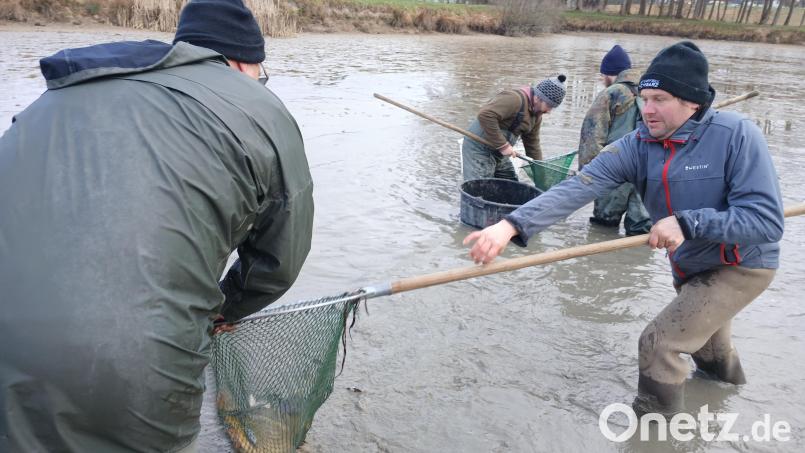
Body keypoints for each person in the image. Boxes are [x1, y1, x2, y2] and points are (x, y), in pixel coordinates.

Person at [0, 0, 314, 451]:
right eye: (261, 73)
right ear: (244, 62)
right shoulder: (260, 109)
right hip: (134, 368)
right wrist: (226, 308)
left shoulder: (63, 90)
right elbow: (278, 260)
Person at [463, 41, 784, 416]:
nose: (647, 109)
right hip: (690, 265)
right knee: (711, 355)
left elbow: (766, 221)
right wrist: (510, 226)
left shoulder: (737, 135)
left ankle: (655, 434)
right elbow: (579, 186)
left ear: (692, 101)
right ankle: (729, 405)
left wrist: (688, 222)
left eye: (660, 99)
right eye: (644, 98)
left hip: (741, 264)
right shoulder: (637, 145)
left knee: (658, 344)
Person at [578, 45, 651, 236]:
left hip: (614, 169)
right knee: (640, 232)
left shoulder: (612, 92)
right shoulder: (650, 91)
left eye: (603, 76)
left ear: (609, 74)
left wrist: (588, 174)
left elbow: (591, 135)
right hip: (647, 173)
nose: (603, 80)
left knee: (602, 227)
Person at [461, 75, 566, 182]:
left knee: (511, 184)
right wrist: (503, 146)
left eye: (552, 107)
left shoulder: (536, 116)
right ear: (538, 98)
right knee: (479, 188)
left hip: (499, 153)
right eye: (549, 106)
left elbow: (532, 146)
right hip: (479, 149)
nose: (549, 111)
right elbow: (485, 115)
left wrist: (541, 175)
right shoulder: (514, 99)